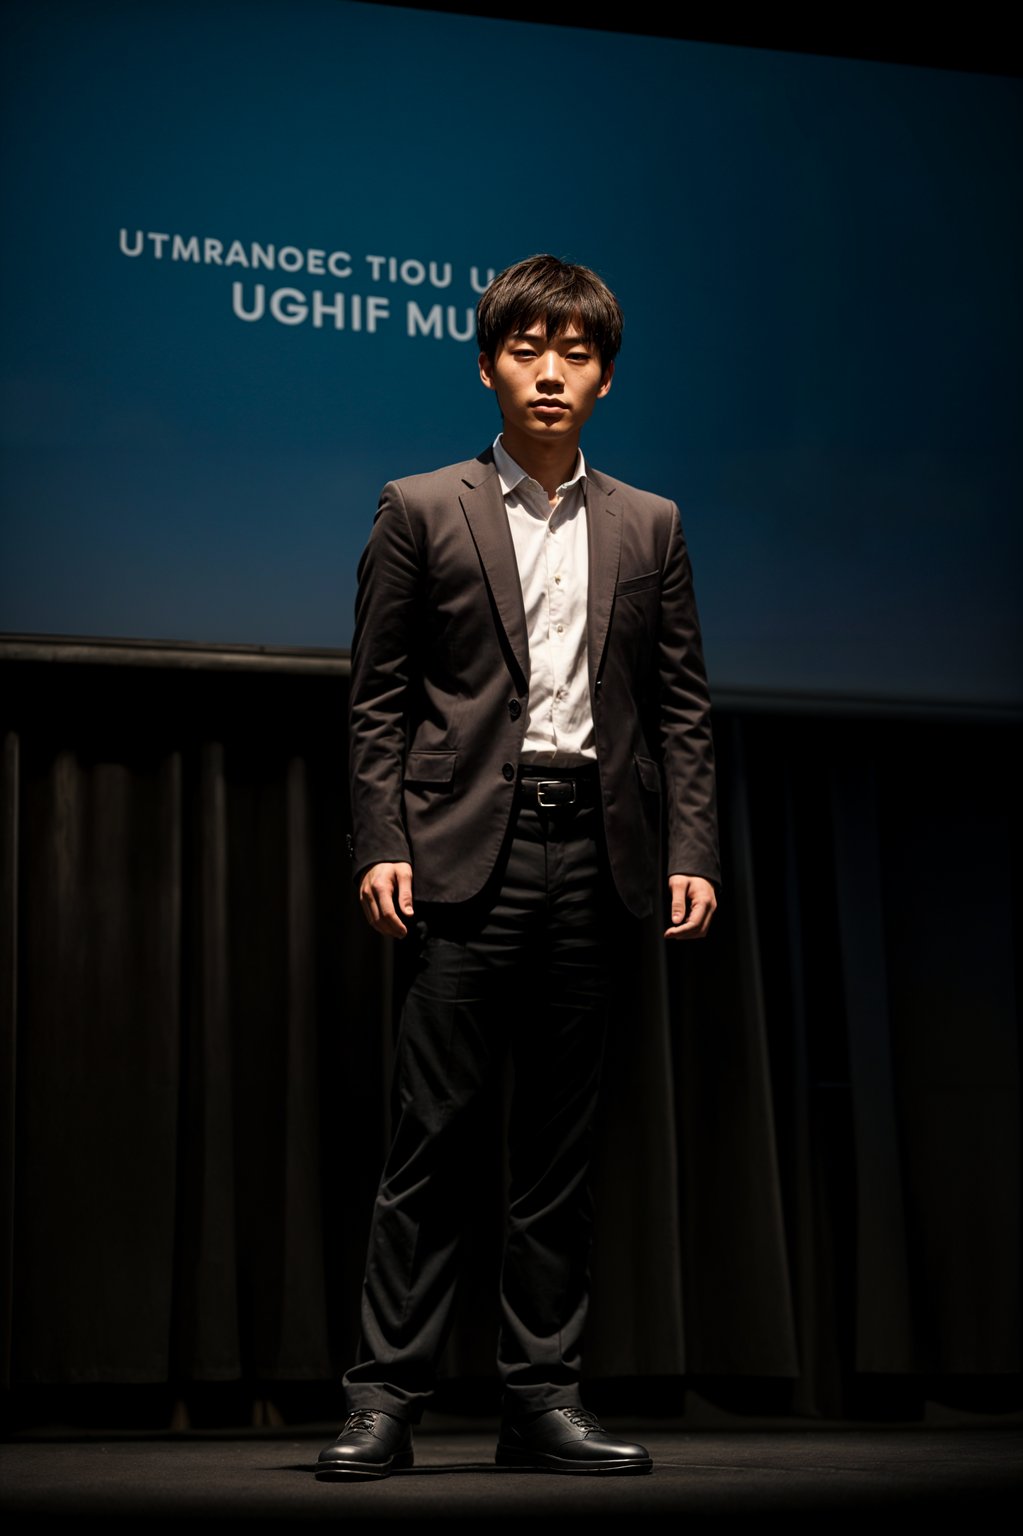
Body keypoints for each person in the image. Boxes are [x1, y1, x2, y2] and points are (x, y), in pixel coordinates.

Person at [316, 254, 720, 1480]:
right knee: (430, 1138)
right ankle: (383, 1400)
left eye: (578, 353)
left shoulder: (650, 523)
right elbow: (377, 698)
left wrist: (690, 848)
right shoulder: (420, 505)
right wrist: (381, 840)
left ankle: (540, 1401)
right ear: (488, 362)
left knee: (557, 1150)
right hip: (462, 859)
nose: (553, 372)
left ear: (603, 376)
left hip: (597, 857)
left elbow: (681, 705)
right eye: (529, 349)